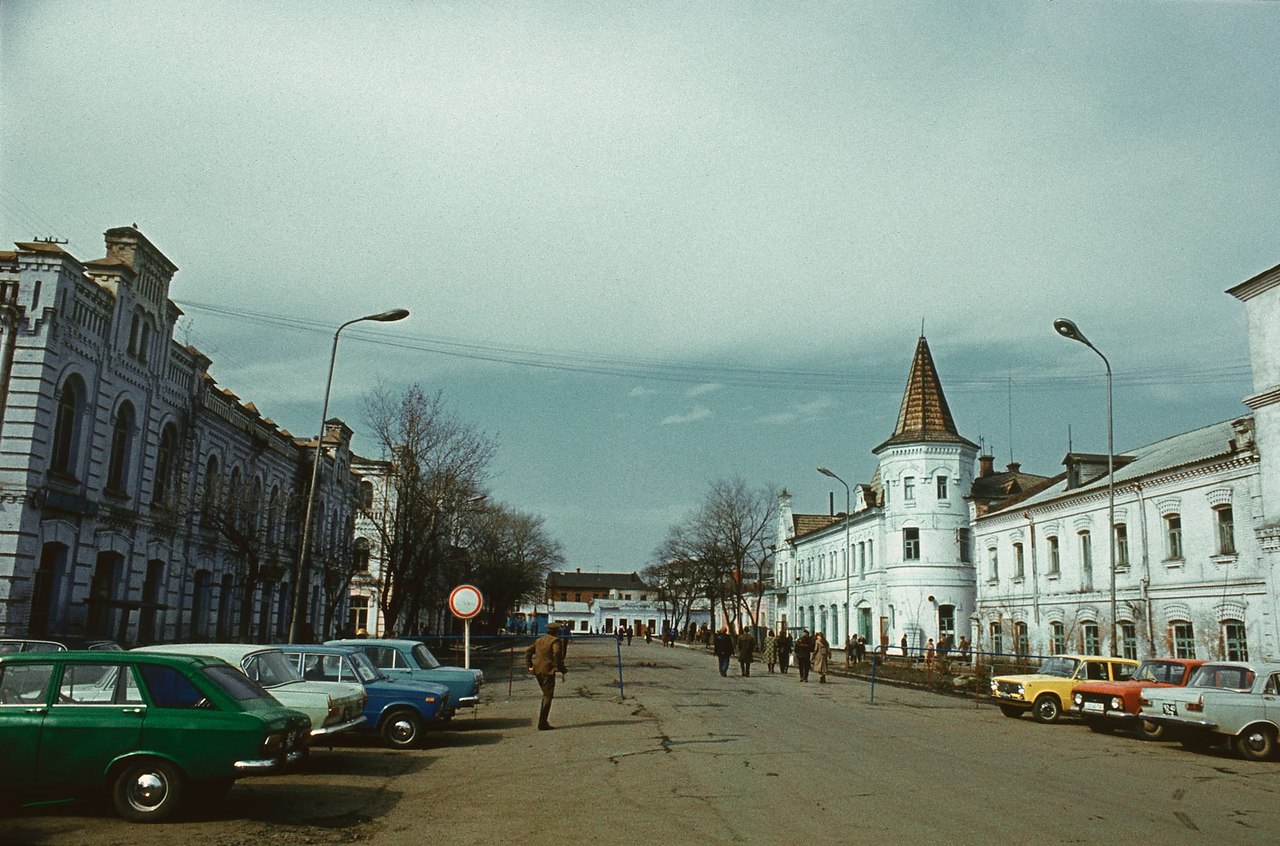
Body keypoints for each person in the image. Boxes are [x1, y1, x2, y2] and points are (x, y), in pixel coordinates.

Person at [525, 621, 568, 730]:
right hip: (548, 671)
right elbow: (557, 654)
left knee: (545, 694)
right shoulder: (555, 641)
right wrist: (561, 668)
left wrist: (530, 665)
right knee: (548, 695)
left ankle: (542, 721)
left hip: (537, 670)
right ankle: (542, 723)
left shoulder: (539, 640)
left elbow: (528, 652)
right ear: (556, 631)